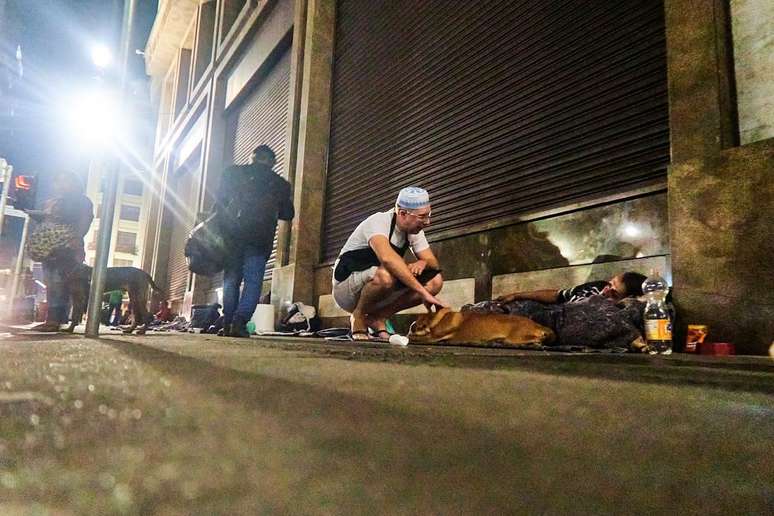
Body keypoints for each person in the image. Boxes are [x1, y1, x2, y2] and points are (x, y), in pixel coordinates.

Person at [332, 186, 446, 341]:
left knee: (435, 281)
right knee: (386, 275)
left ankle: (378, 317)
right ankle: (357, 316)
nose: (428, 222)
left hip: (378, 291)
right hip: (346, 289)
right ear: (403, 213)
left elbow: (433, 263)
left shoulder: (413, 230)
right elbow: (388, 258)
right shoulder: (378, 222)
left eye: (429, 215)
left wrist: (422, 262)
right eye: (422, 217)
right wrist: (423, 293)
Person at [215, 144, 294, 337]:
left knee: (231, 279)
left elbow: (219, 201)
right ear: (272, 162)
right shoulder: (279, 184)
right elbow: (288, 213)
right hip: (259, 239)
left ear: (252, 157)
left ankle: (227, 323)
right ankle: (240, 323)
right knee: (253, 281)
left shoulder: (232, 173)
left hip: (232, 237)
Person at [26, 172, 93, 331]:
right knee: (51, 281)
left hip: (67, 246)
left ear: (74, 183)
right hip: (49, 245)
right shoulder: (54, 201)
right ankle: (54, 319)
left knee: (59, 281)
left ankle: (56, 320)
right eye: (58, 182)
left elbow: (84, 219)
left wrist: (76, 238)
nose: (61, 185)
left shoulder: (81, 201)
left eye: (65, 181)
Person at [494, 271, 647, 305]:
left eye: (613, 292)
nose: (607, 289)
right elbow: (558, 295)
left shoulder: (615, 311)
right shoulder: (598, 286)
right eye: (610, 283)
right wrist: (517, 295)